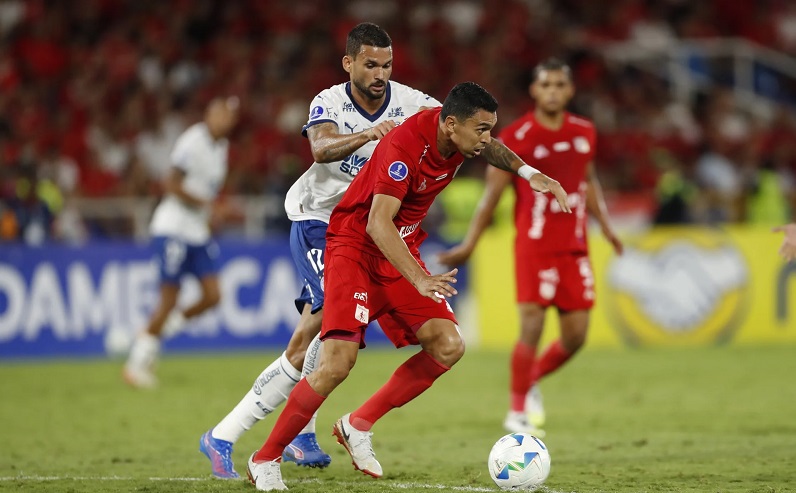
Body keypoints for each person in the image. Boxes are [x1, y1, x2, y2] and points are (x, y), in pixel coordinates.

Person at [245, 82, 570, 491]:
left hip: (398, 248)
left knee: (448, 345)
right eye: (482, 129)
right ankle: (265, 458)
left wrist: (530, 173)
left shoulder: (459, 138)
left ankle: (357, 424)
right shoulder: (405, 148)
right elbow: (377, 223)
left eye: (491, 128)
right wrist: (420, 278)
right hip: (356, 247)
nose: (487, 139)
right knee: (337, 363)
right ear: (451, 125)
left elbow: (489, 149)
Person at [198, 23, 441, 479]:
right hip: (321, 223)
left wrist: (524, 169)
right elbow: (321, 147)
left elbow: (456, 123)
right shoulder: (328, 102)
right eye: (370, 64)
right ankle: (233, 435)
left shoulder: (415, 103)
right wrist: (369, 137)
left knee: (313, 335)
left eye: (386, 65)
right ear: (349, 63)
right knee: (327, 324)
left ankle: (271, 434)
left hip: (369, 232)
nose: (380, 74)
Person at [438, 58, 623, 436]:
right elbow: (491, 196)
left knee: (576, 336)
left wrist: (606, 226)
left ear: (569, 90)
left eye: (559, 84)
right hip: (535, 246)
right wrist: (470, 244)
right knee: (533, 326)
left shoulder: (585, 131)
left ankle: (531, 379)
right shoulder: (518, 135)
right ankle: (517, 411)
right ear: (534, 91)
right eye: (546, 85)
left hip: (575, 246)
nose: (553, 91)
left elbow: (589, 181)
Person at [123, 96, 240, 389]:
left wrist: (210, 213)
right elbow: (170, 184)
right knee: (168, 297)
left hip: (196, 231)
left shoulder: (222, 148)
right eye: (220, 114)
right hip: (173, 228)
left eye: (229, 117)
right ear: (208, 114)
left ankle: (167, 326)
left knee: (213, 296)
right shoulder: (193, 141)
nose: (224, 120)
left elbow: (208, 189)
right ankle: (136, 365)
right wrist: (209, 205)